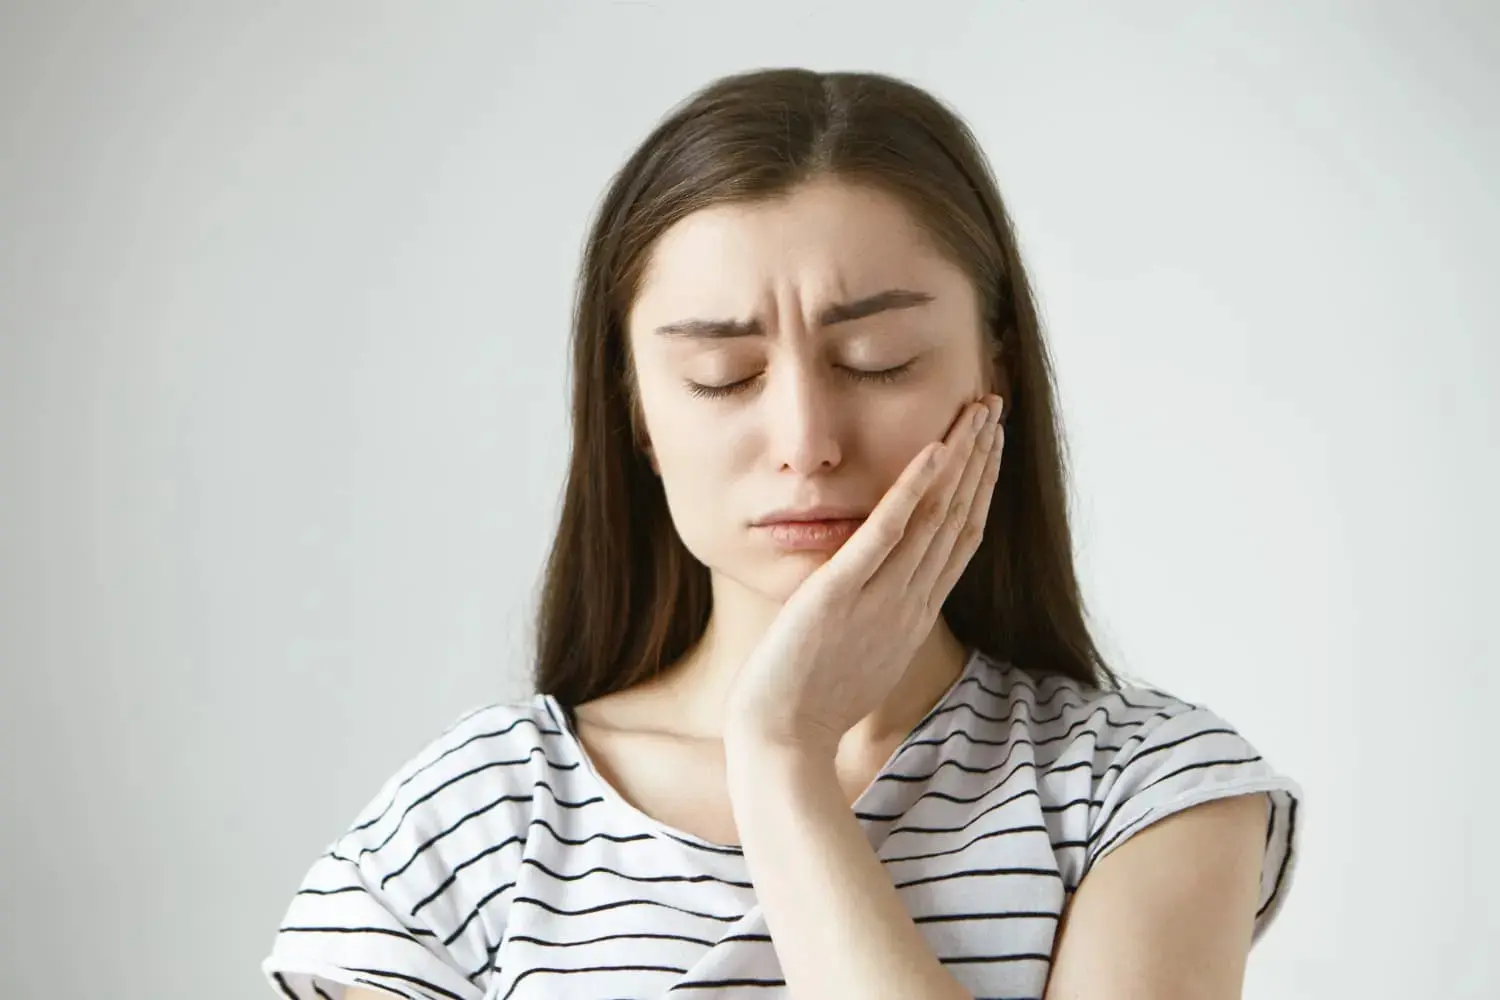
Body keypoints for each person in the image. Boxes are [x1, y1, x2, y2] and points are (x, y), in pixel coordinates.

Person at [262, 68, 1302, 1000]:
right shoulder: (471, 822)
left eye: (879, 359)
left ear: (996, 373)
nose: (806, 442)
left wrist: (783, 761)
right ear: (636, 414)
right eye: (724, 376)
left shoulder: (1147, 787)